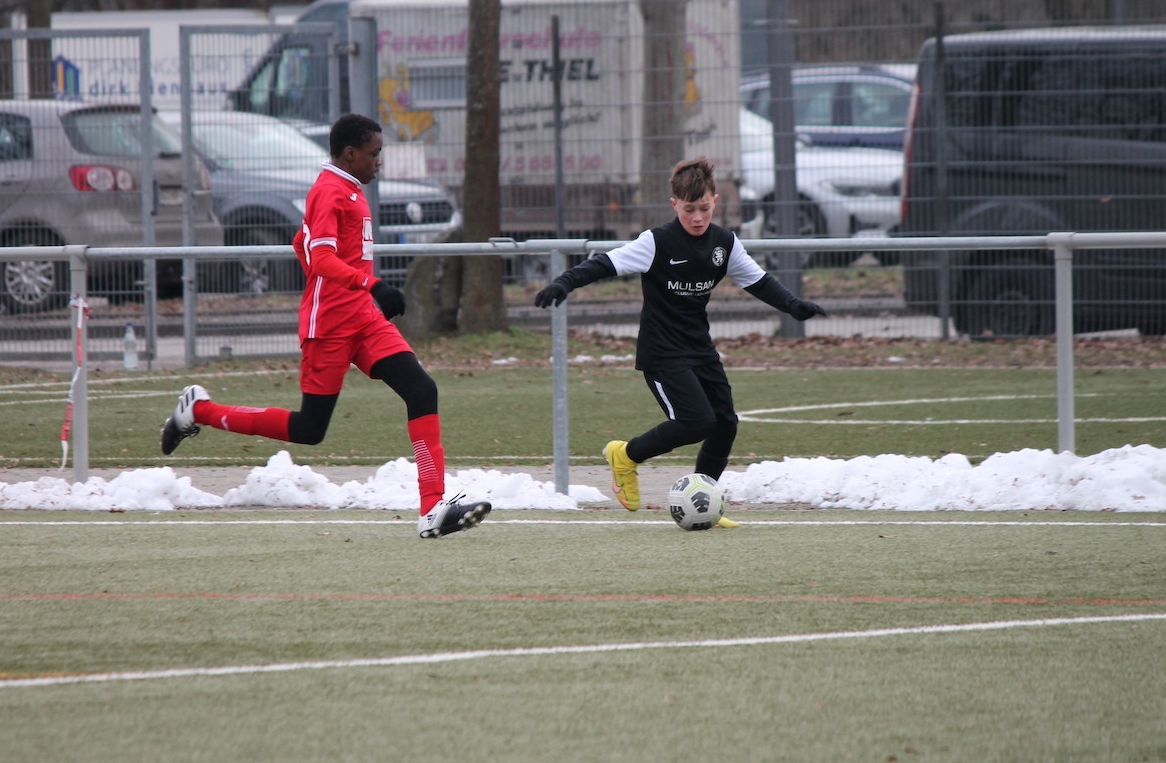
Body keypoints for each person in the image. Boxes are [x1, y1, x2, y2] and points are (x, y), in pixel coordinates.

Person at [159, 113, 490, 539]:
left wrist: (357, 291)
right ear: (350, 154)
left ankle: (433, 509)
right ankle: (199, 411)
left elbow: (302, 243)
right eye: (374, 153)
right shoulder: (329, 190)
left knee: (422, 389)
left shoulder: (349, 188)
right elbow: (320, 257)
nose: (379, 161)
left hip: (364, 319)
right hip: (330, 326)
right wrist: (369, 284)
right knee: (309, 429)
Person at [534, 156, 825, 527]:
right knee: (696, 421)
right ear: (674, 205)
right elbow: (604, 263)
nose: (698, 217)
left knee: (725, 424)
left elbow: (759, 281)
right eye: (689, 210)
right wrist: (564, 282)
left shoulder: (724, 244)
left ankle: (704, 501)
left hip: (699, 348)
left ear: (715, 201)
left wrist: (793, 305)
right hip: (661, 352)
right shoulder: (656, 242)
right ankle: (626, 455)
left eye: (704, 208)